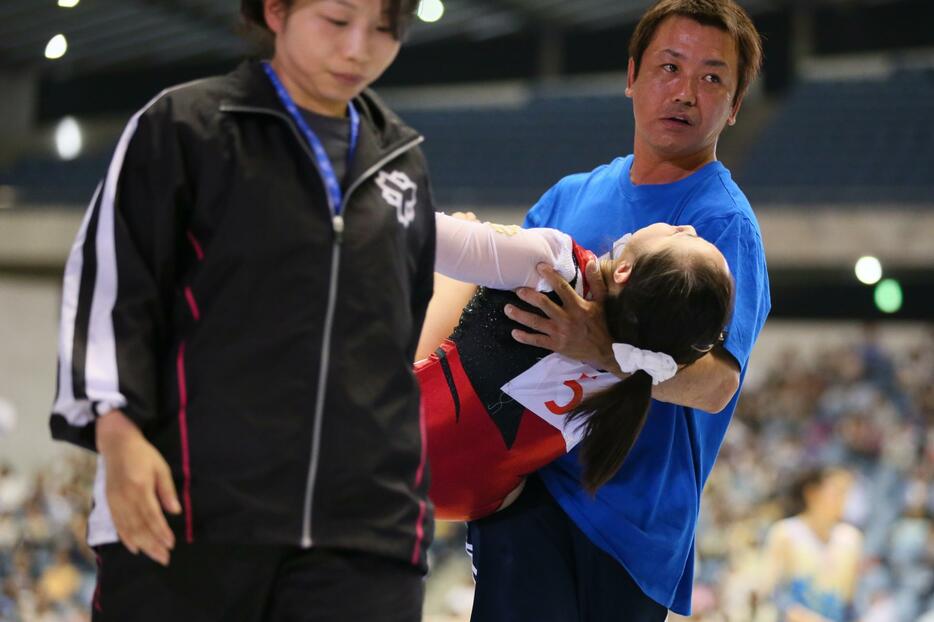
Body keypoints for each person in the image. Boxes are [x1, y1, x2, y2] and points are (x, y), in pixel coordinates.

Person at [48, 1, 435, 620]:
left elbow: (398, 335)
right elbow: (113, 287)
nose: (360, 48)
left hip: (366, 536)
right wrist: (116, 435)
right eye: (337, 22)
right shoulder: (185, 126)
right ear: (275, 10)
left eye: (386, 29)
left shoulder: (403, 163)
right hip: (190, 516)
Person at [465, 0, 771, 620]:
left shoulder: (722, 225)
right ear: (632, 75)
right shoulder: (569, 196)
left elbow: (716, 385)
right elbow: (490, 325)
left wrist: (603, 347)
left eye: (713, 77)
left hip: (629, 525)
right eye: (669, 67)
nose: (685, 92)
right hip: (529, 487)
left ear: (735, 106)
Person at [420, 213, 734, 522]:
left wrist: (464, 228)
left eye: (683, 236)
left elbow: (413, 229)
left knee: (459, 236)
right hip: (475, 498)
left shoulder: (556, 264)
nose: (688, 225)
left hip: (405, 432)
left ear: (624, 270)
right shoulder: (638, 369)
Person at [758, 467, 863, 622]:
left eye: (846, 492)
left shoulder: (851, 538)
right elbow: (771, 592)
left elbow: (849, 601)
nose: (843, 498)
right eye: (837, 491)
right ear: (812, 493)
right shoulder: (785, 533)